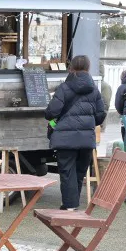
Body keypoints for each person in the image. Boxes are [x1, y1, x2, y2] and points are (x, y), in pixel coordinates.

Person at [46, 55, 106, 211]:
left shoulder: (64, 88)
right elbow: (101, 115)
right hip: (86, 139)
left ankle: (69, 206)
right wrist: (88, 123)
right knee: (79, 172)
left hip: (65, 138)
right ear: (88, 67)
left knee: (67, 172)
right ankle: (73, 205)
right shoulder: (94, 90)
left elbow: (52, 112)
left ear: (71, 68)